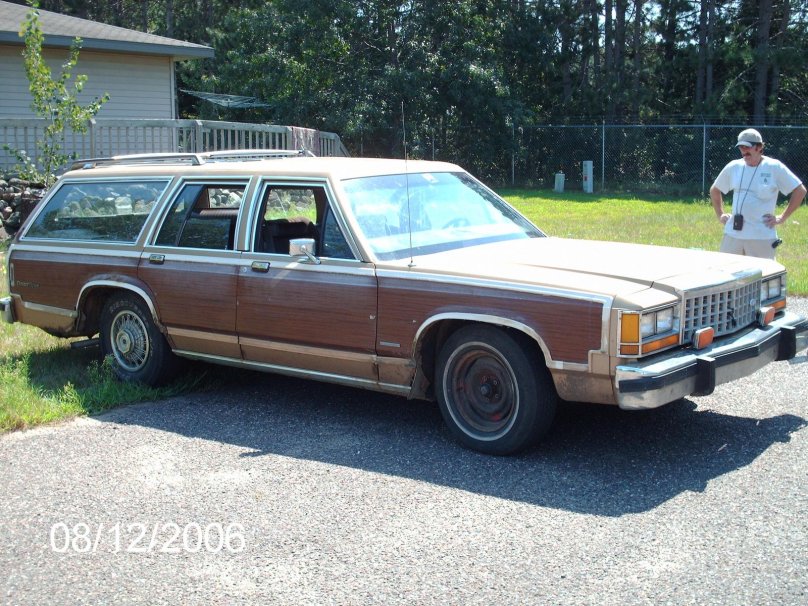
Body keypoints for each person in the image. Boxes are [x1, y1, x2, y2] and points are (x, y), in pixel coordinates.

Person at [710, 128, 806, 259]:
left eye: (747, 147)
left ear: (759, 147)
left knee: (763, 272)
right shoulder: (734, 167)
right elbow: (715, 190)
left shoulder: (774, 167)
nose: (744, 151)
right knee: (726, 270)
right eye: (741, 147)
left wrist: (782, 218)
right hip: (733, 234)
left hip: (761, 236)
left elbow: (800, 191)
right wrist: (720, 214)